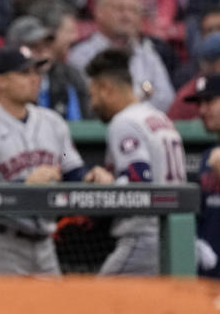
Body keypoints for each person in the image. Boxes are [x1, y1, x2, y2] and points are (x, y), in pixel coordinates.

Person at [0, 45, 86, 275]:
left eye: (36, 73)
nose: (34, 79)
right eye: (24, 73)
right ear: (1, 81)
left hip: (45, 244)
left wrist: (93, 179)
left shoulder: (54, 122)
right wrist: (26, 187)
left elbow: (75, 174)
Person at [84, 48, 186, 276]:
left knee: (93, 302)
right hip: (174, 233)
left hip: (143, 234)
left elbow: (138, 181)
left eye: (93, 95)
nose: (92, 104)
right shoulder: (159, 117)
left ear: (107, 89)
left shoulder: (125, 122)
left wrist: (107, 186)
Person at [68, 0, 174, 112]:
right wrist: (141, 97)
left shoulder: (147, 53)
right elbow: (90, 102)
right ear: (98, 12)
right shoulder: (80, 56)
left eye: (133, 10)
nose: (127, 16)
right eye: (119, 9)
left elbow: (166, 99)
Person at [6, 15, 91, 120]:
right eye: (33, 46)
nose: (42, 51)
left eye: (46, 44)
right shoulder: (3, 82)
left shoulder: (69, 76)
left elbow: (85, 119)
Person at [186, 73, 220, 278]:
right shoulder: (208, 155)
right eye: (199, 103)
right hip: (209, 276)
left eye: (209, 101)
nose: (201, 110)